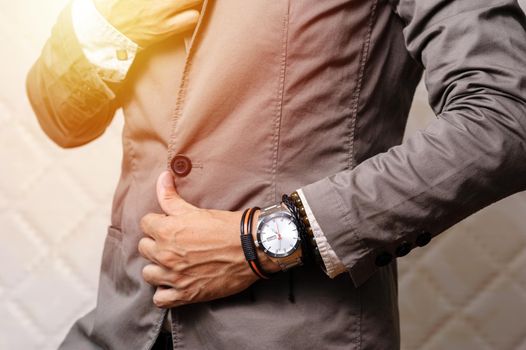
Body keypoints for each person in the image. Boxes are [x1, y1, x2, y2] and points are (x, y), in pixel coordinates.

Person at [26, 0, 526, 349]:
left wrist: (265, 240)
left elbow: (508, 116)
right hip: (120, 327)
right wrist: (108, 21)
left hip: (296, 334)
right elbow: (62, 120)